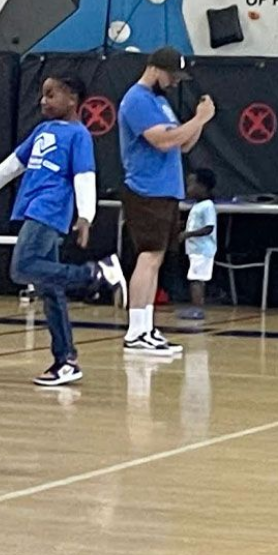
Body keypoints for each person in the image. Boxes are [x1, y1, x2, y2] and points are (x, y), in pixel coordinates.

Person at [0, 75, 127, 387]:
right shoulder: (42, 130)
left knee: (23, 268)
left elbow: (84, 175)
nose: (43, 101)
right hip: (33, 207)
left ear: (72, 99)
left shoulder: (78, 135)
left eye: (51, 95)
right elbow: (13, 164)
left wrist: (86, 215)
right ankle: (65, 360)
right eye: (42, 95)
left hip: (49, 210)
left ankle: (96, 274)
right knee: (50, 288)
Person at [118, 47, 215, 354]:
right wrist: (198, 118)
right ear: (155, 69)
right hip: (147, 189)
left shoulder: (159, 102)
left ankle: (146, 327)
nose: (174, 82)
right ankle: (135, 330)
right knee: (147, 257)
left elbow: (183, 144)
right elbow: (163, 141)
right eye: (171, 75)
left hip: (165, 190)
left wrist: (200, 122)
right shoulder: (137, 100)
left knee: (156, 258)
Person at [179, 168, 217, 322]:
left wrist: (187, 234)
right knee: (195, 279)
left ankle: (197, 309)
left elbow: (209, 228)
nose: (188, 189)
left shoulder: (207, 206)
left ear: (203, 187)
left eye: (191, 185)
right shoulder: (198, 206)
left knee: (196, 280)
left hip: (202, 250)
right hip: (195, 250)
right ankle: (196, 307)